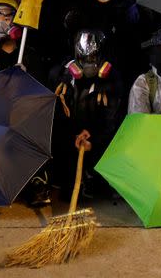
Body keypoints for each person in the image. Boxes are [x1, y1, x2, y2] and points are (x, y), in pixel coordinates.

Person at [49, 29, 123, 199]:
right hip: (69, 137)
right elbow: (55, 120)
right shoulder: (61, 78)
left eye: (94, 58)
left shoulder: (112, 80)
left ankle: (97, 178)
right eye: (85, 59)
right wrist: (73, 136)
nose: (90, 63)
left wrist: (93, 139)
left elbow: (112, 121)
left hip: (97, 136)